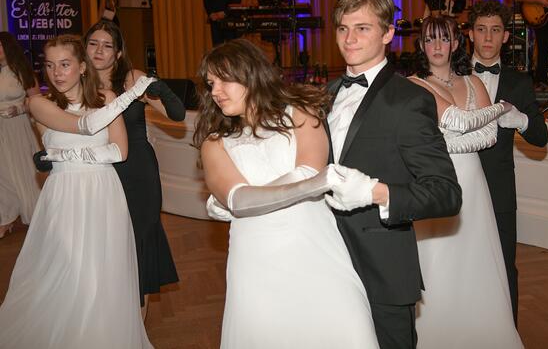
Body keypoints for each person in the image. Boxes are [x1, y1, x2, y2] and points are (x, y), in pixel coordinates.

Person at [193, 38, 379, 349]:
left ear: (250, 73)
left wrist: (241, 201)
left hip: (315, 248)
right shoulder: (214, 143)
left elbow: (307, 171)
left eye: (224, 79)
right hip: (257, 260)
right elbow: (240, 199)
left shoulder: (300, 113)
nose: (215, 91)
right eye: (211, 83)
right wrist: (317, 182)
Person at [326, 0, 462, 349]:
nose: (349, 38)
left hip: (382, 268)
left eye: (362, 28)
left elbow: (446, 193)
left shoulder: (410, 99)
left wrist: (375, 193)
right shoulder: (325, 93)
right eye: (342, 28)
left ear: (388, 33)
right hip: (324, 261)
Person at [0, 35, 154, 348]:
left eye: (65, 64)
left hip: (104, 193)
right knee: (68, 269)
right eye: (50, 65)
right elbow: (83, 126)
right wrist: (127, 99)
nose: (56, 73)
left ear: (82, 67)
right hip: (64, 195)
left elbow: (120, 152)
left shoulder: (107, 96)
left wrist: (71, 156)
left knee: (102, 272)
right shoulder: (39, 104)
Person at [407, 16, 523, 348]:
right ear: (421, 45)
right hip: (438, 180)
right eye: (430, 40)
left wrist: (452, 138)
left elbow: (487, 138)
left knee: (478, 259)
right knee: (439, 261)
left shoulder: (474, 81)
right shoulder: (416, 84)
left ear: (457, 43)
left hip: (474, 181)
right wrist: (501, 107)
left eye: (444, 39)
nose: (437, 46)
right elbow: (458, 120)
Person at [84, 20, 181, 316]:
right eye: (93, 43)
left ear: (118, 52)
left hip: (137, 170)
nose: (99, 50)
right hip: (99, 170)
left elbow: (176, 114)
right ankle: (112, 316)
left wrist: (158, 87)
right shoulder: (77, 80)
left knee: (140, 240)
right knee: (107, 242)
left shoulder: (131, 79)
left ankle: (137, 327)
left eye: (107, 45)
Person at [469, 0, 548, 323]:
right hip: (458, 191)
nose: (488, 38)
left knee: (504, 268)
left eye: (495, 30)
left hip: (500, 193)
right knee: (461, 270)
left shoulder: (518, 82)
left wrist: (521, 120)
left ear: (505, 36)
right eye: (481, 29)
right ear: (471, 34)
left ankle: (508, 336)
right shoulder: (453, 78)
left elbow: (541, 137)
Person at [0, 32, 41, 238]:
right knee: (3, 173)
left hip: (17, 127)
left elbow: (37, 101)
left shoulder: (23, 72)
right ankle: (5, 217)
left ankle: (35, 214)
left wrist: (20, 109)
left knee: (23, 169)